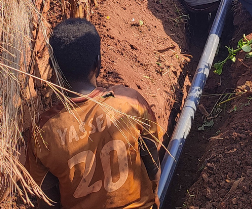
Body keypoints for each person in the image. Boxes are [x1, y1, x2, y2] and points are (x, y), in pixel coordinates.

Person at [27, 18, 161, 209]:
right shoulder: (130, 102)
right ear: (98, 62)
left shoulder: (43, 132)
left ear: (54, 68)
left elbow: (47, 202)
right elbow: (152, 162)